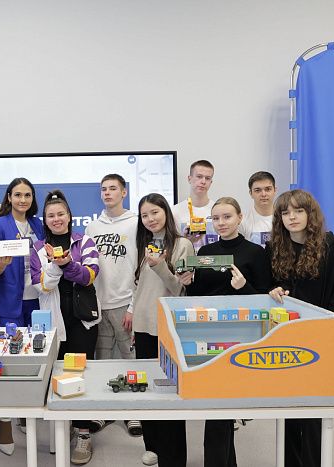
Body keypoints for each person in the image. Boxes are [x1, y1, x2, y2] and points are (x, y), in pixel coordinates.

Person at [178, 197, 271, 467]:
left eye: (227, 217)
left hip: (242, 334)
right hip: (209, 332)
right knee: (216, 406)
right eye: (216, 218)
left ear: (240, 217)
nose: (221, 223)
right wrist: (188, 283)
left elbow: (264, 298)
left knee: (225, 405)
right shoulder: (205, 252)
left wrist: (243, 287)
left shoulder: (256, 253)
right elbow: (198, 295)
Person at [266, 189, 334, 467]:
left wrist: (331, 338)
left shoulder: (332, 247)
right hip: (284, 337)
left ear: (310, 214)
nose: (292, 217)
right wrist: (273, 290)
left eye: (298, 211)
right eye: (285, 212)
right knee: (287, 410)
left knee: (314, 410)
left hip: (319, 338)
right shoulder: (274, 248)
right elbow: (269, 287)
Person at [30, 190, 101, 465]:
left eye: (61, 214)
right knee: (57, 375)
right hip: (53, 323)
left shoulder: (85, 242)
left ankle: (83, 433)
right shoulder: (38, 248)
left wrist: (68, 263)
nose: (57, 219)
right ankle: (63, 426)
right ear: (45, 220)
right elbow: (42, 285)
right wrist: (57, 267)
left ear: (70, 216)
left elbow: (89, 275)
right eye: (51, 215)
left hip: (82, 321)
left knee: (80, 374)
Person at [132, 193, 194, 467]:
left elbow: (180, 289)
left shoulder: (183, 245)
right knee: (146, 390)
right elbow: (139, 287)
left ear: (166, 213)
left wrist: (159, 266)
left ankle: (173, 456)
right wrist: (134, 316)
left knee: (169, 392)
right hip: (144, 325)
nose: (150, 219)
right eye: (145, 215)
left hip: (168, 327)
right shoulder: (143, 245)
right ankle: (152, 446)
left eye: (155, 212)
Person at [0, 177, 44, 454]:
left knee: (34, 360)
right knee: (9, 363)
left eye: (27, 195)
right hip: (11, 303)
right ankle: (5, 425)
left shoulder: (38, 224)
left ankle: (25, 413)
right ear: (9, 197)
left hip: (38, 300)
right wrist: (1, 264)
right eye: (18, 195)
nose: (22, 200)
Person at [84, 174, 141, 437]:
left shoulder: (136, 223)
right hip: (99, 304)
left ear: (124, 192)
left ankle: (132, 413)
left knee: (130, 358)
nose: (107, 193)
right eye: (103, 189)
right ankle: (103, 410)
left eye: (113, 189)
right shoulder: (92, 227)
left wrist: (133, 306)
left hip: (124, 302)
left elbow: (141, 268)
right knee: (102, 360)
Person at [171, 160, 217, 250]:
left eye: (207, 178)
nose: (203, 181)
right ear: (189, 179)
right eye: (199, 176)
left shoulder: (217, 210)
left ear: (211, 182)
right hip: (186, 258)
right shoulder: (174, 211)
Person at [238, 171, 277, 247]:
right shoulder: (242, 221)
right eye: (258, 190)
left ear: (275, 190)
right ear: (251, 193)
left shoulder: (284, 218)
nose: (263, 194)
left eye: (268, 189)